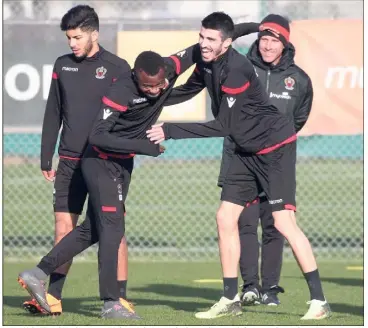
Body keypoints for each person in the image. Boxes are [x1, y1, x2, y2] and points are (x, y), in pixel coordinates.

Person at [17, 21, 258, 318]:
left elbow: (202, 48)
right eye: (148, 87)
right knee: (112, 229)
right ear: (135, 78)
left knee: (92, 230)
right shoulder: (121, 92)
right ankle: (110, 302)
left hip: (121, 165)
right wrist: (145, 146)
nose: (156, 91)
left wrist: (253, 27)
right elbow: (98, 136)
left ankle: (38, 272)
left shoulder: (167, 71)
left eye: (160, 85)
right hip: (101, 163)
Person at [147, 12, 331, 320]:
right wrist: (152, 97)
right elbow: (189, 89)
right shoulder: (207, 60)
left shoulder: (236, 69)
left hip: (274, 148)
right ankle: (230, 298)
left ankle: (319, 301)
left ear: (227, 43)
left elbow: (223, 126)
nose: (203, 44)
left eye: (211, 40)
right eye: (201, 37)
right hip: (246, 149)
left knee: (283, 223)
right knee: (225, 217)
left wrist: (170, 129)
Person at [22, 5, 132, 316]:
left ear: (94, 34)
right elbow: (53, 112)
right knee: (63, 227)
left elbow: (129, 115)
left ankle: (118, 298)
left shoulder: (118, 67)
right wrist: (47, 154)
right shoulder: (62, 65)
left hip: (104, 162)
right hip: (69, 161)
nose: (72, 43)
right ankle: (52, 297)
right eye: (69, 38)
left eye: (78, 37)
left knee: (113, 229)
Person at [219, 14, 314, 307]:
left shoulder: (299, 79)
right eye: (263, 39)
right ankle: (250, 287)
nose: (267, 45)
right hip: (241, 160)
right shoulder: (241, 68)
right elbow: (224, 40)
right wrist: (251, 27)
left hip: (276, 163)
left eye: (274, 40)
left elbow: (297, 121)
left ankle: (270, 289)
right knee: (244, 224)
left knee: (276, 225)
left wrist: (271, 144)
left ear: (285, 44)